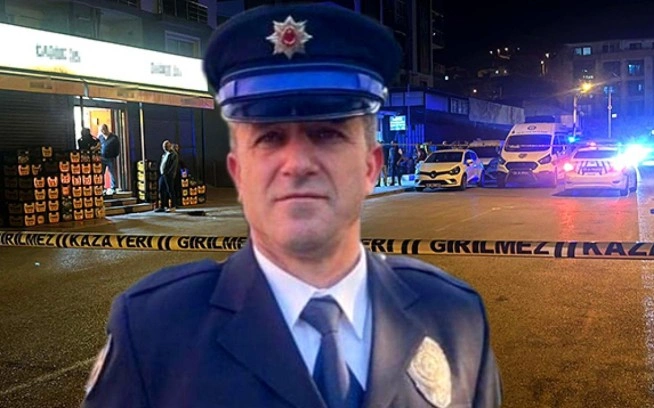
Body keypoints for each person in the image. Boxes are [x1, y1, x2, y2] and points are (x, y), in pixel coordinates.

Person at [82, 4, 502, 408]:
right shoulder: (152, 331)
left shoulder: (455, 318)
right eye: (269, 137)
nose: (298, 163)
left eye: (327, 134)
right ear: (238, 172)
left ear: (371, 167)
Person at [154, 140, 179, 213]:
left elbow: (173, 166)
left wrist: (169, 173)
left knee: (170, 190)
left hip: (168, 175)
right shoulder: (165, 154)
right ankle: (163, 206)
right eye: (164, 147)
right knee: (161, 189)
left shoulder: (173, 155)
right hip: (163, 174)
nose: (164, 148)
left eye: (166, 146)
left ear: (169, 146)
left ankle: (173, 206)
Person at [98, 124, 120, 195]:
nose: (102, 131)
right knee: (101, 173)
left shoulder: (114, 138)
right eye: (101, 130)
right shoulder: (100, 137)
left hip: (111, 158)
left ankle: (113, 188)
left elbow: (117, 148)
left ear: (107, 129)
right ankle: (102, 188)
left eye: (103, 129)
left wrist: (115, 155)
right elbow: (98, 146)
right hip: (102, 158)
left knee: (112, 173)